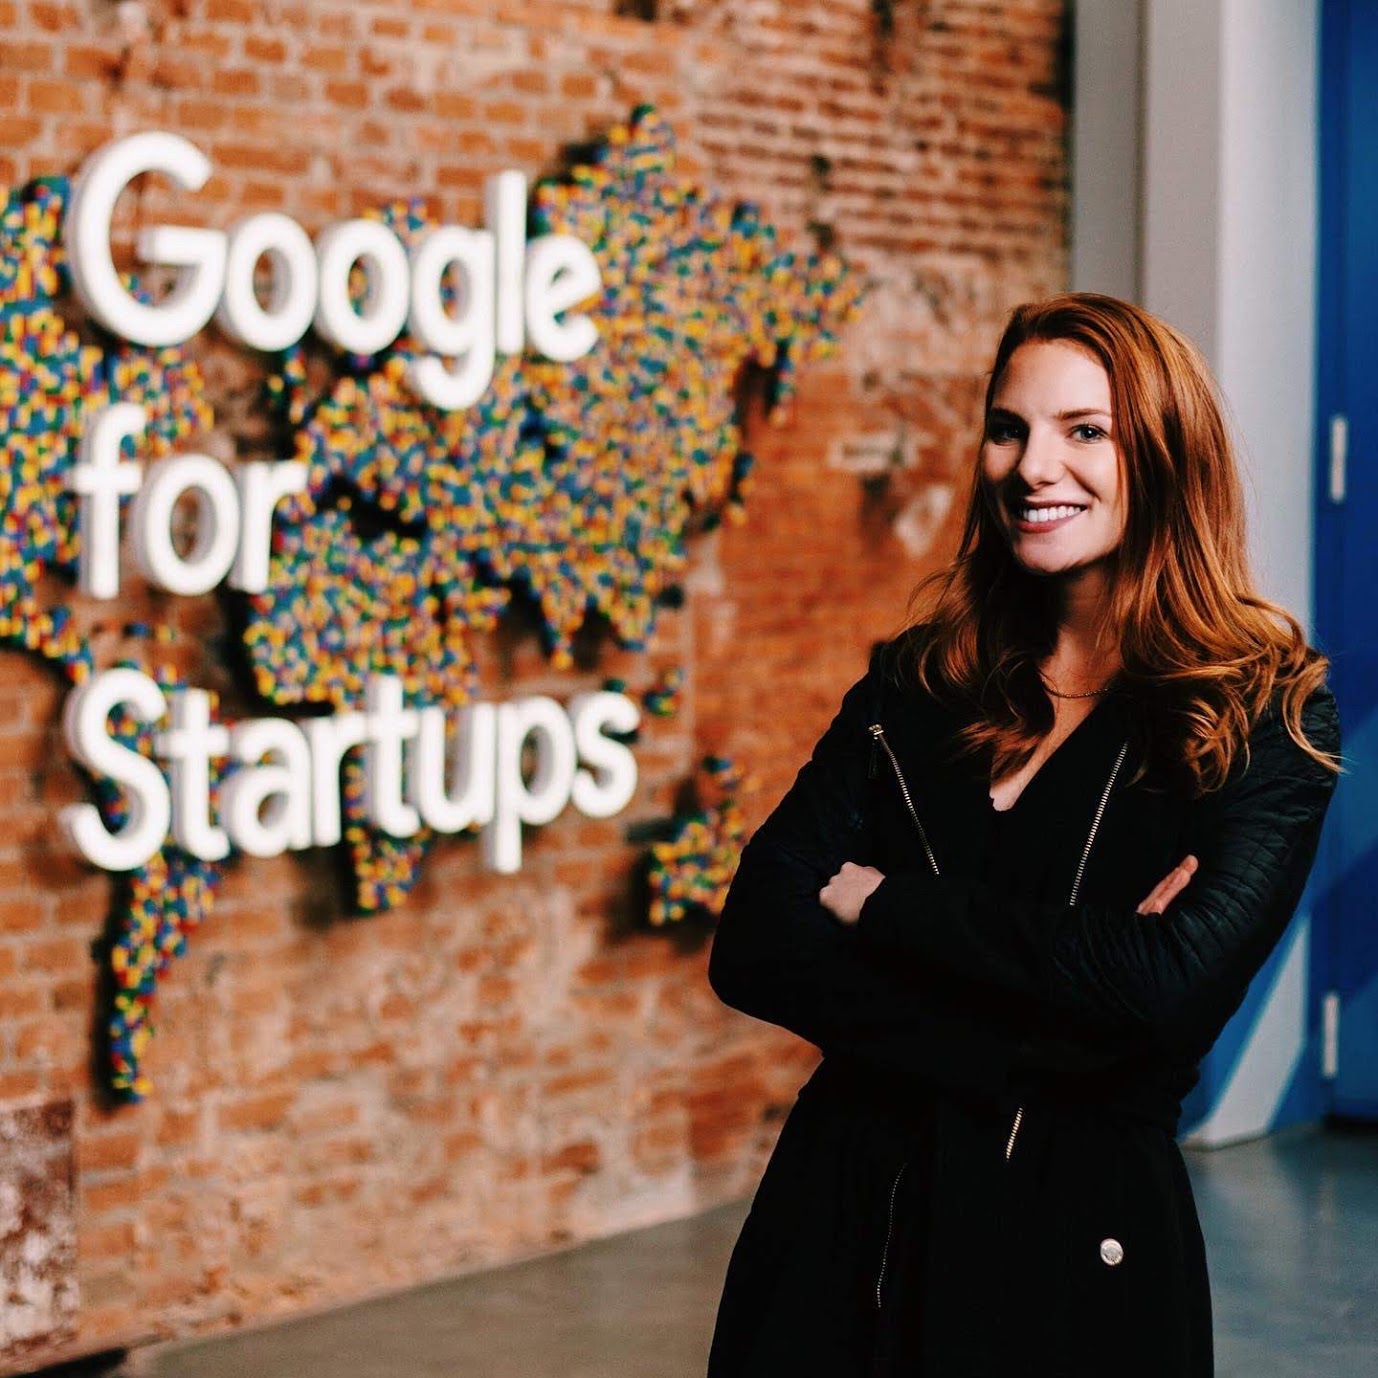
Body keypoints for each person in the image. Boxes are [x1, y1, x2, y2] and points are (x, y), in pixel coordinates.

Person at [704, 292, 1342, 1378]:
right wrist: (1054, 1017)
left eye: (1082, 430)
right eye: (1008, 428)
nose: (1031, 466)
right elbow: (755, 939)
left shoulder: (1261, 715)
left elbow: (1163, 987)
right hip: (836, 1234)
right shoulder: (914, 683)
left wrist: (884, 905)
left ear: (1166, 453)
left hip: (1074, 1265)